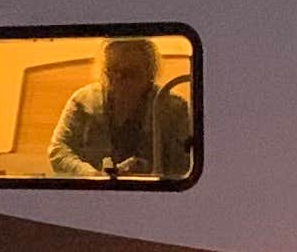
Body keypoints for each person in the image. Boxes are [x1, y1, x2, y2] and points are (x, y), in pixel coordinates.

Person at [47, 37, 193, 181]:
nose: (118, 79)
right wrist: (91, 175)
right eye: (112, 71)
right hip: (92, 194)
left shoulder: (174, 108)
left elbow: (188, 163)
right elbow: (59, 151)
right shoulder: (83, 102)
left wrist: (149, 168)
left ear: (149, 74)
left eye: (129, 73)